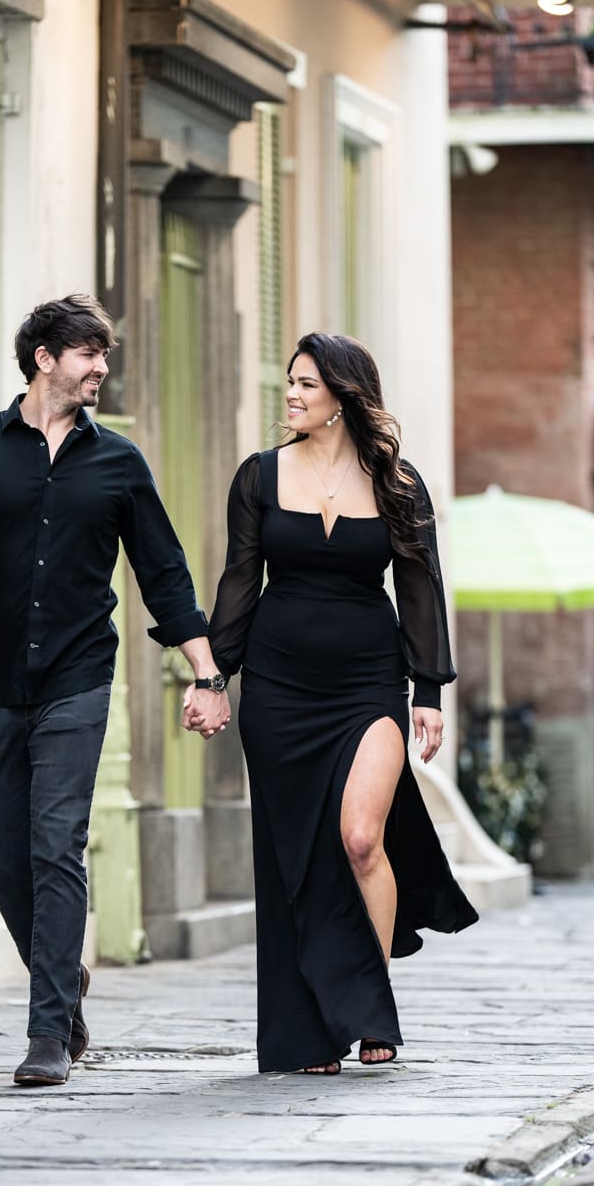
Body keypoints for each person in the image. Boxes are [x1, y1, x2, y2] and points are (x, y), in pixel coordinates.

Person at [0, 294, 229, 1088]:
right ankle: (65, 978)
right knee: (3, 860)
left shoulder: (118, 462)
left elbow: (164, 571)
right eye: (89, 354)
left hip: (79, 679)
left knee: (56, 846)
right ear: (44, 358)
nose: (101, 369)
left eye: (105, 356)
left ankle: (48, 1031)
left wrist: (206, 669)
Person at [183, 333, 477, 1074]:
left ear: (343, 397)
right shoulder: (258, 477)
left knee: (358, 839)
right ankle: (311, 1028)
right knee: (296, 858)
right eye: (290, 382)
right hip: (279, 689)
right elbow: (239, 585)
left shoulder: (398, 484)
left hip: (367, 684)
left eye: (306, 385)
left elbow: (420, 588)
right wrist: (214, 678)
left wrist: (430, 692)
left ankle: (367, 1005)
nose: (291, 394)